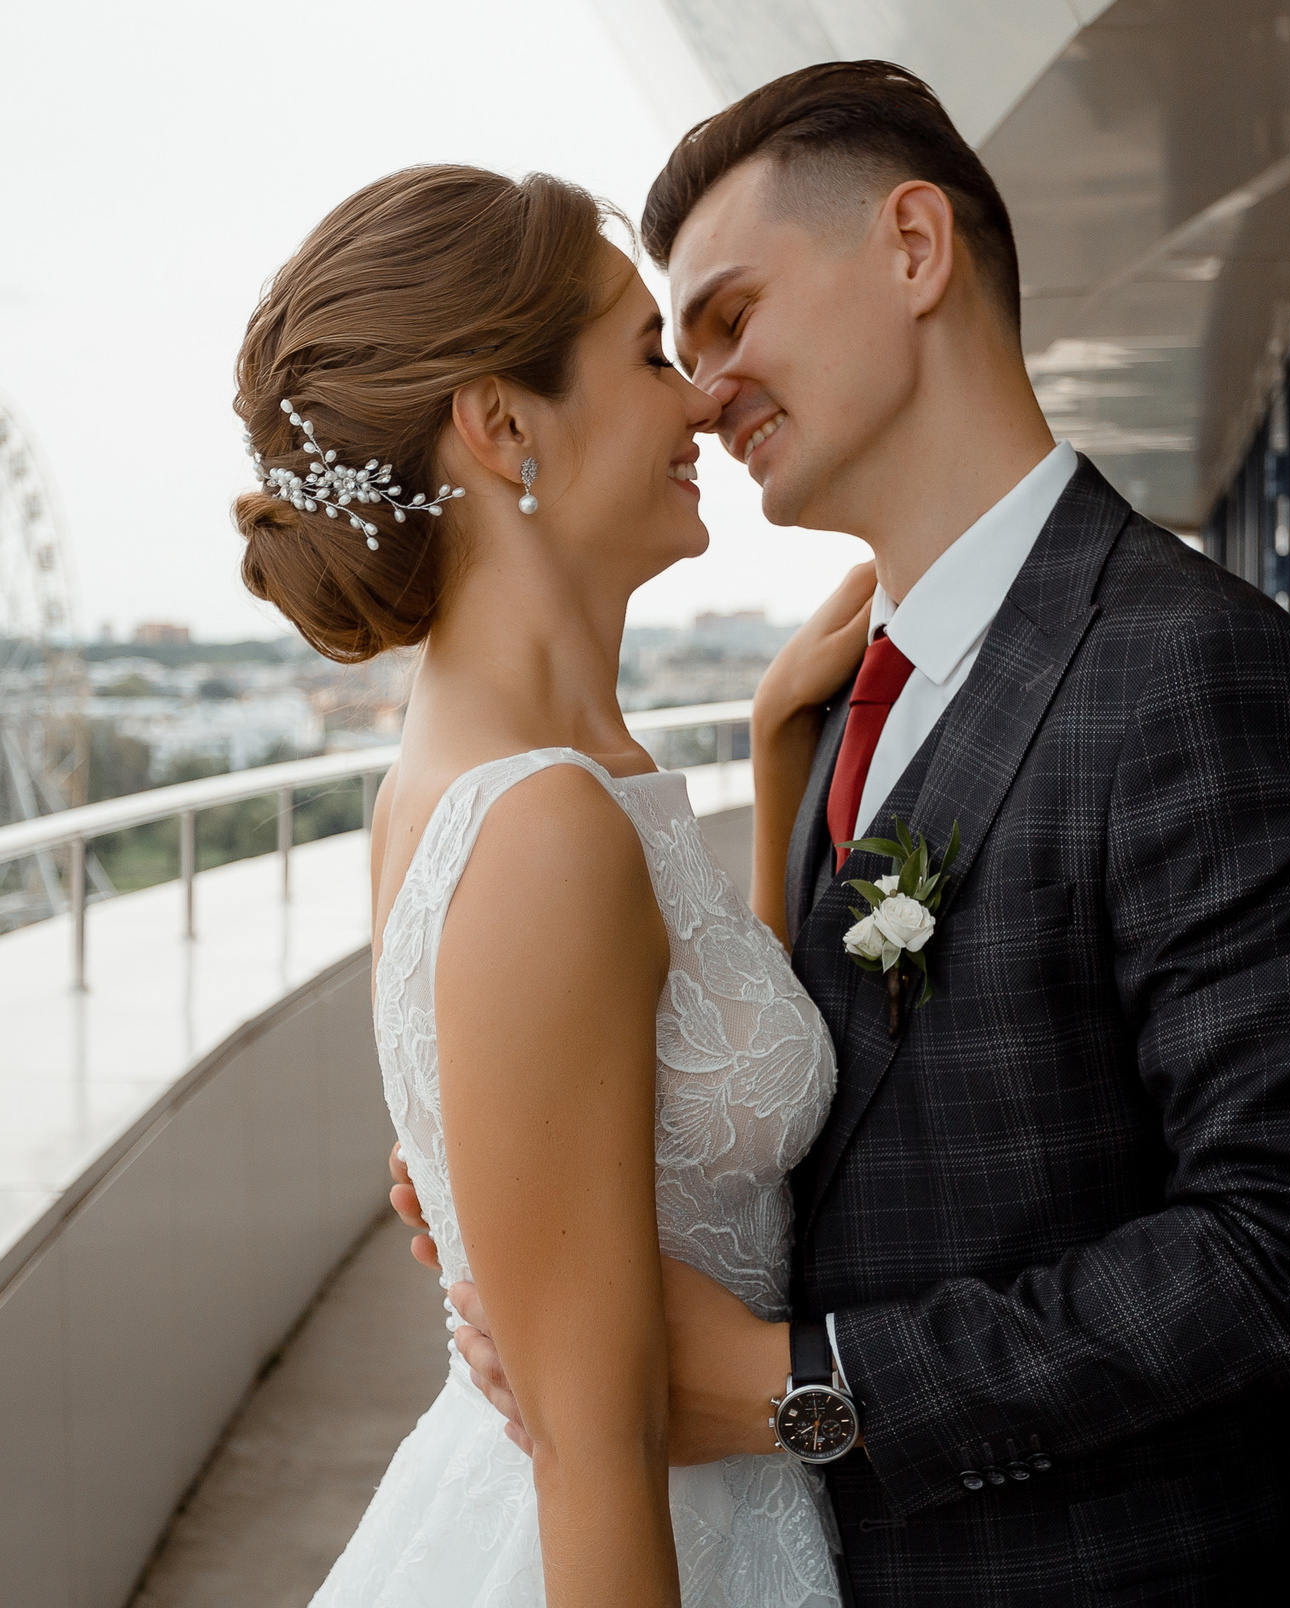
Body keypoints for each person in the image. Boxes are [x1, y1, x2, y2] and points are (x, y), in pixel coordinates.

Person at [398, 61, 1290, 1604]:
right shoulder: (839, 703)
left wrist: (806, 1388)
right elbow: (840, 1110)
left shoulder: (1198, 677)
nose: (705, 393)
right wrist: (541, 1180)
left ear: (915, 249)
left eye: (729, 318)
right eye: (676, 351)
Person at [233, 166, 850, 1607]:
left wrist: (777, 753)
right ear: (505, 426)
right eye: (646, 355)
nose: (701, 400)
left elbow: (679, 1058)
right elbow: (592, 1451)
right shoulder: (540, 828)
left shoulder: (497, 777)